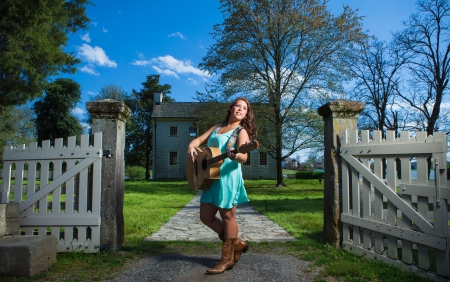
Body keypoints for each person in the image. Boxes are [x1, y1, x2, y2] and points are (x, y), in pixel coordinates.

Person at [186, 97, 257, 274]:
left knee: (227, 217)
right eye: (238, 106)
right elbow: (198, 141)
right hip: (210, 177)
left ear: (246, 113)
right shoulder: (217, 128)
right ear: (231, 108)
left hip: (228, 177)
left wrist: (234, 155)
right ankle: (237, 244)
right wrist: (191, 145)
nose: (240, 109)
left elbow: (244, 157)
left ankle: (226, 260)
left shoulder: (241, 132)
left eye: (244, 108)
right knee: (205, 216)